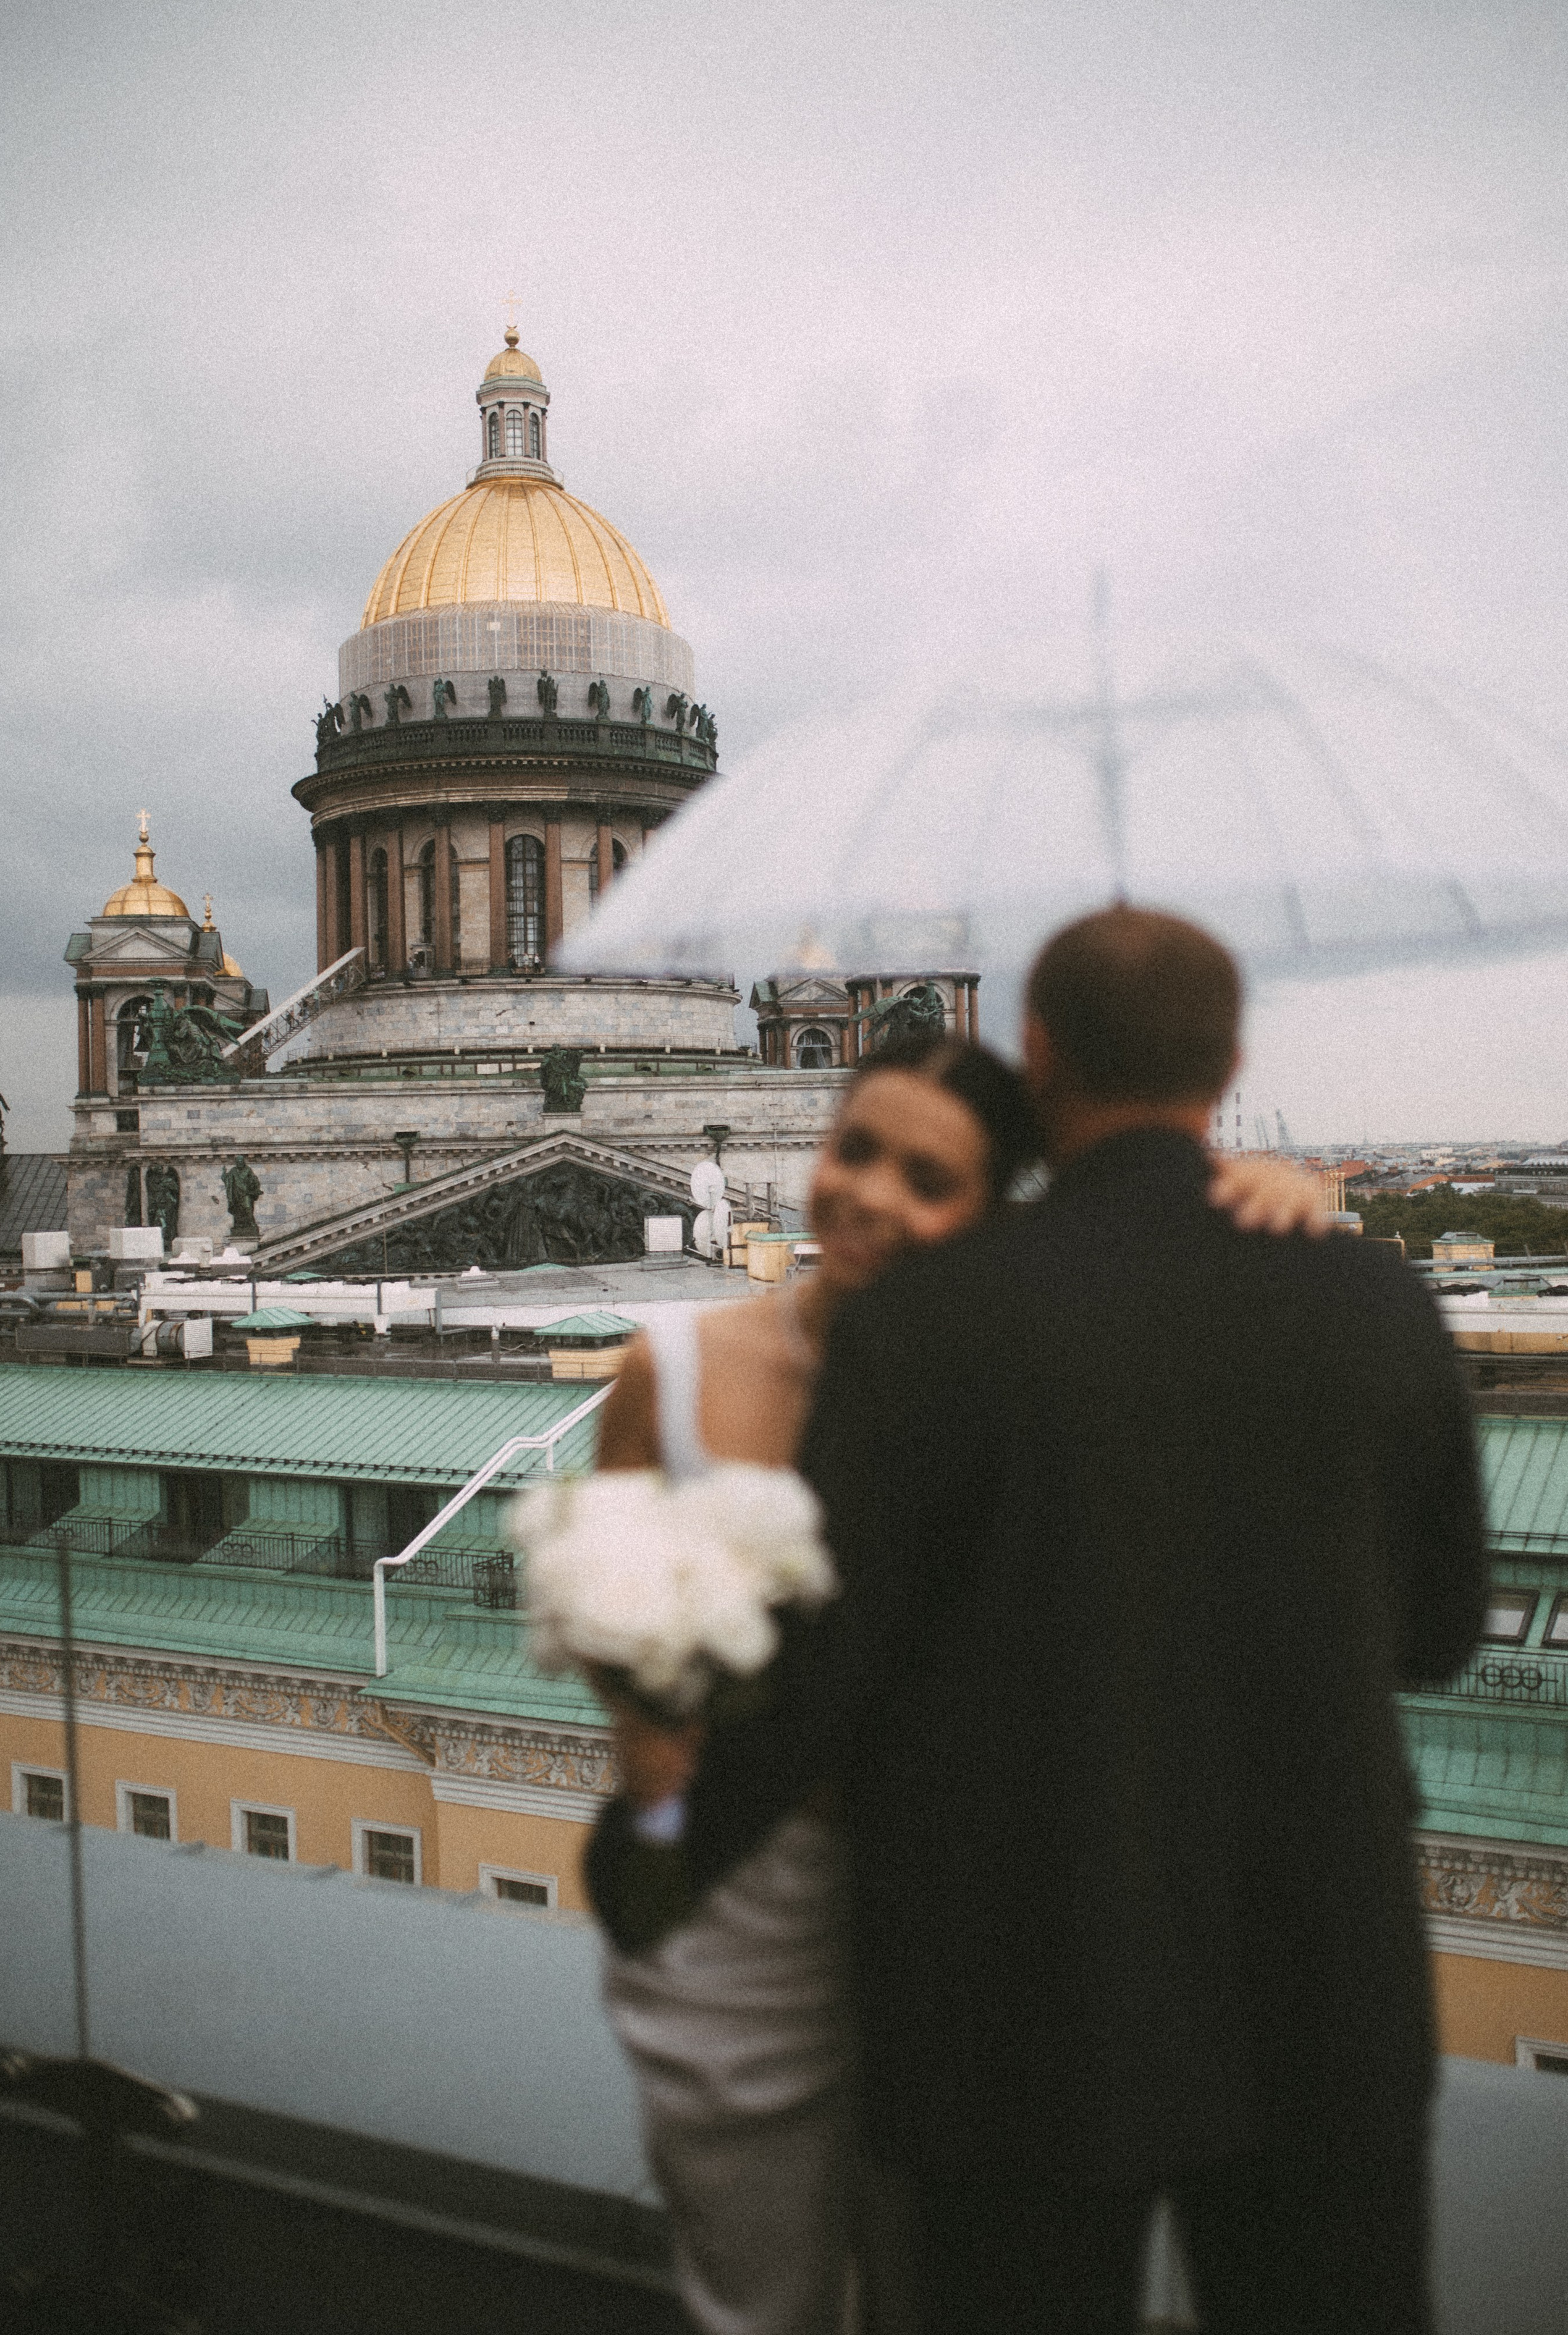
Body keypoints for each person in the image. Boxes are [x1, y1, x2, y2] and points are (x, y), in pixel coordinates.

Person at [631, 908, 1487, 2335]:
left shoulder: (934, 1316)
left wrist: (657, 1859)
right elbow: (1438, 1638)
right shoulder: (1376, 1299)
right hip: (1317, 1994)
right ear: (1228, 1065)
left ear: (1032, 1048)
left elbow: (818, 1678)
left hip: (1008, 2011)